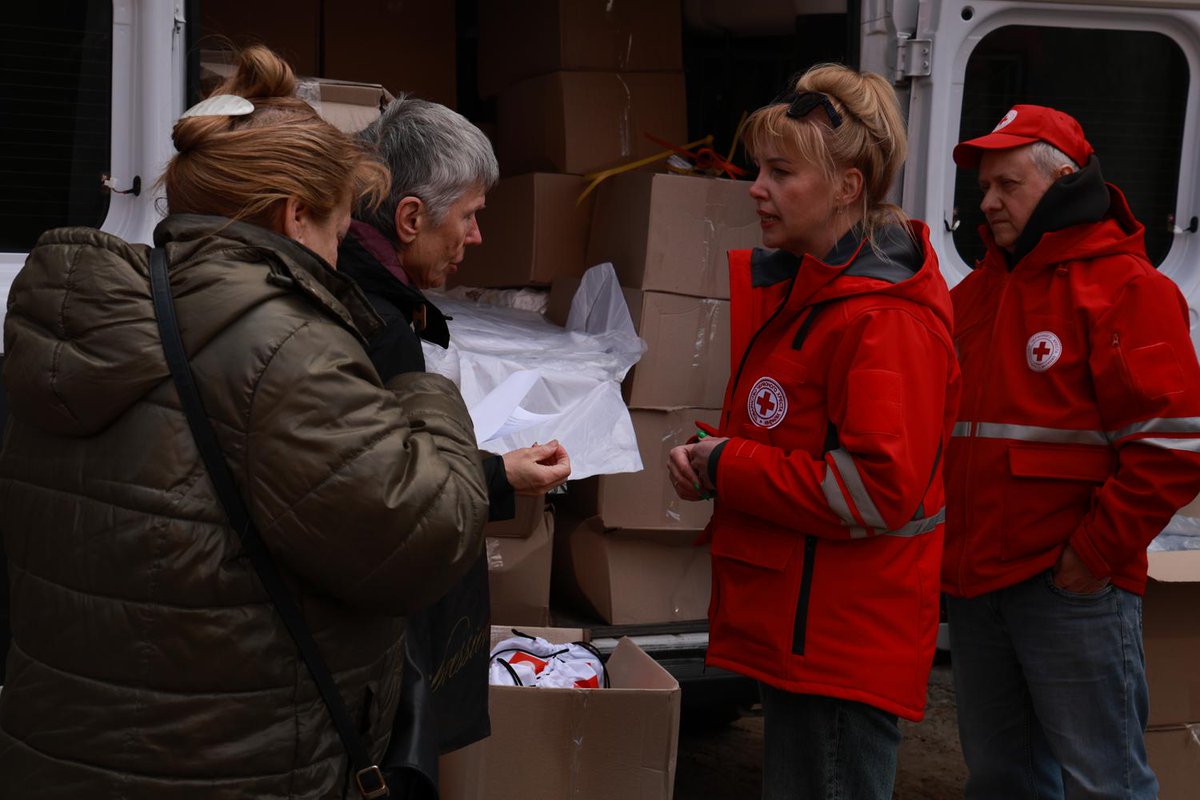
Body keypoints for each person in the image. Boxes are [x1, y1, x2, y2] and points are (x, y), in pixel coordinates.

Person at [0, 46, 490, 799]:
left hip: (60, 756)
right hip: (232, 764)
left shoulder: (81, 329)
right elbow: (426, 535)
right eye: (336, 231)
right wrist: (428, 395)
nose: (338, 256)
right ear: (295, 216)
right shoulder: (283, 348)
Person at [667, 64, 960, 800]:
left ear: (847, 186)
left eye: (780, 172)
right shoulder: (819, 291)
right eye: (758, 169)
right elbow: (800, 437)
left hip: (840, 644)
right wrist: (713, 460)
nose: (755, 188)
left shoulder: (883, 320)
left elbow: (876, 490)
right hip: (810, 634)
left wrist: (728, 465)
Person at [943, 104, 1200, 799]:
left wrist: (1090, 558)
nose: (987, 202)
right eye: (984, 187)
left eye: (1007, 184)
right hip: (977, 585)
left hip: (1070, 587)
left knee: (1105, 785)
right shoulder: (975, 294)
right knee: (1003, 780)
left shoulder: (1129, 290)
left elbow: (1173, 446)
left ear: (1062, 182)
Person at [338, 94, 570, 790]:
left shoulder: (360, 291)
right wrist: (500, 477)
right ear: (411, 218)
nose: (476, 236)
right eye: (468, 216)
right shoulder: (377, 322)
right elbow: (388, 494)